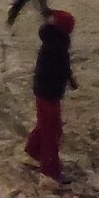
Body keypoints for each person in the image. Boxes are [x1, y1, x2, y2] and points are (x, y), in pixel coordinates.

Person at [24, 10, 78, 185]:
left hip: (47, 93)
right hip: (48, 94)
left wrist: (70, 79)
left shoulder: (56, 43)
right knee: (51, 132)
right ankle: (50, 172)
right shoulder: (54, 48)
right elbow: (58, 68)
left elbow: (64, 67)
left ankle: (33, 152)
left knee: (47, 126)